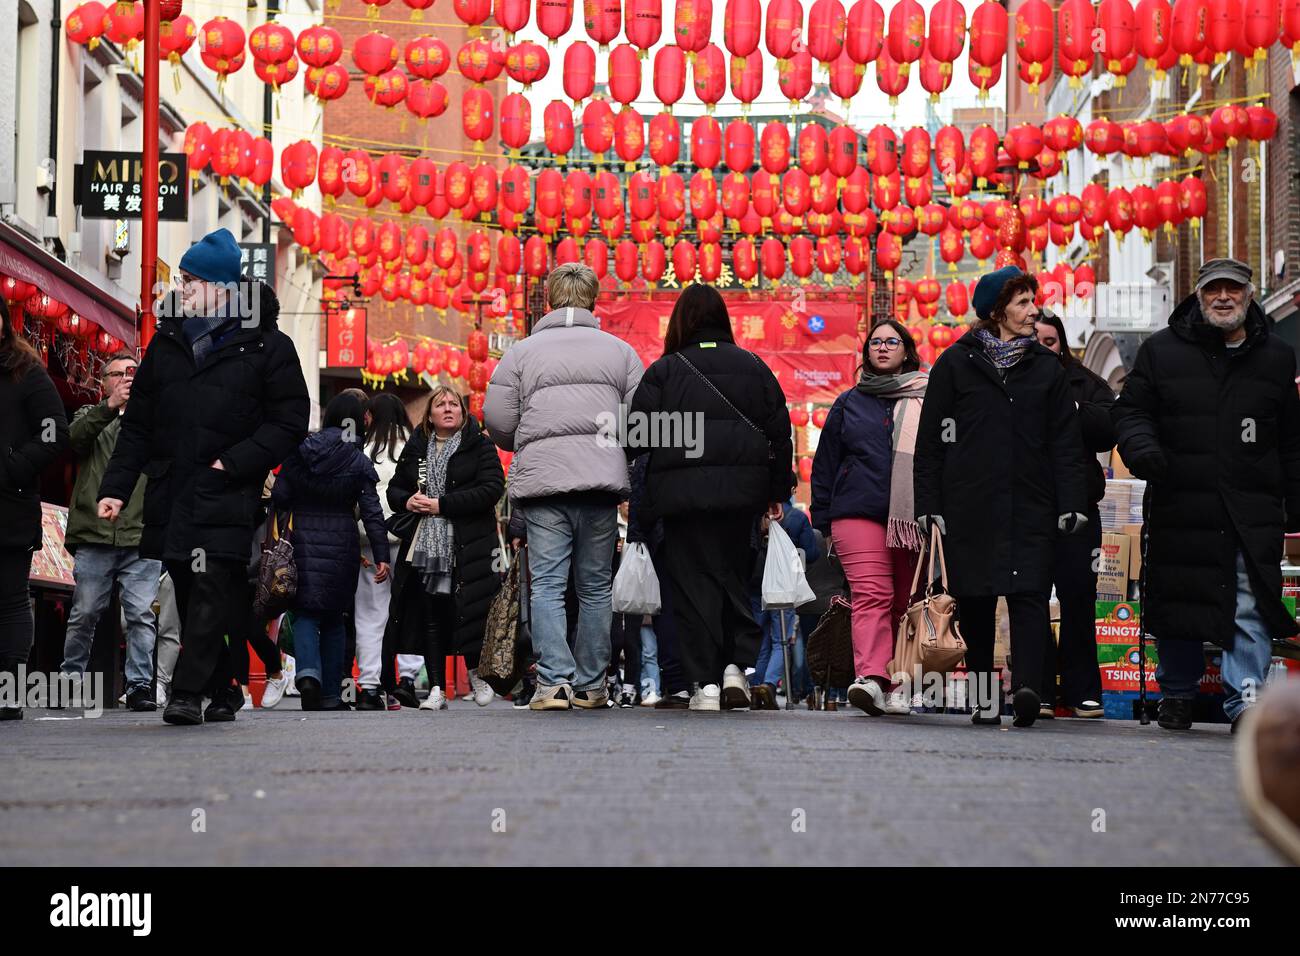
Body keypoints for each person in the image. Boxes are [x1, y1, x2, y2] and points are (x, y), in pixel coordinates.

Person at [98, 230, 310, 726]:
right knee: (191, 590)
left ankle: (186, 692)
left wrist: (234, 463)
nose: (183, 287)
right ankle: (223, 685)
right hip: (173, 488)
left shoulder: (267, 345)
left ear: (221, 286)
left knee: (213, 583)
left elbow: (290, 420)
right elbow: (139, 426)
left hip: (226, 491)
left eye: (192, 280)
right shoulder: (167, 343)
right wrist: (115, 489)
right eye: (184, 279)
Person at [1112, 258, 1300, 732]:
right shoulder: (1161, 351)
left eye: (1232, 290)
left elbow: (1292, 438)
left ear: (1249, 295)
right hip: (1181, 498)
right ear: (1198, 297)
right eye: (1213, 289)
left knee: (1249, 601)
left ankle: (1247, 702)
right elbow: (1132, 412)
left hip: (1251, 507)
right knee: (1180, 598)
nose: (1223, 298)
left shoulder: (1277, 357)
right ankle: (1176, 694)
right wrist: (1144, 450)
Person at [914, 266, 1088, 728]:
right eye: (1023, 303)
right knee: (976, 603)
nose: (1034, 312)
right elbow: (930, 441)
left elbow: (1066, 442)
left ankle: (1029, 688)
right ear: (996, 312)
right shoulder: (955, 364)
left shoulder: (1045, 367)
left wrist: (1071, 501)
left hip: (1033, 503)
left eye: (1033, 302)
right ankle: (985, 699)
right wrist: (928, 505)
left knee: (1030, 596)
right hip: (969, 505)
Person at [484, 262, 643, 711]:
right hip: (599, 484)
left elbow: (497, 419)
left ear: (551, 300)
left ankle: (553, 683)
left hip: (545, 483)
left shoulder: (521, 353)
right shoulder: (620, 352)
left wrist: (527, 439)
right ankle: (593, 685)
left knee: (548, 585)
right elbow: (641, 421)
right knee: (595, 586)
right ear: (593, 299)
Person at [629, 283, 794, 711]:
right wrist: (776, 491)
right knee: (735, 582)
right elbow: (779, 431)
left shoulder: (664, 372)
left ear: (680, 321)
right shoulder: (754, 368)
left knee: (691, 588)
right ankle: (736, 667)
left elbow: (637, 439)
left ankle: (703, 684)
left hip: (682, 501)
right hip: (742, 498)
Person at [811, 319, 928, 717]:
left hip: (911, 517)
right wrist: (822, 518)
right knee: (872, 595)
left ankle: (899, 683)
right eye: (874, 342)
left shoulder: (927, 398)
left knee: (904, 601)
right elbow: (826, 463)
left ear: (906, 350)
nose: (881, 348)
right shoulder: (849, 402)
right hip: (856, 511)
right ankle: (871, 678)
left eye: (891, 341)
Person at [384, 386, 505, 711]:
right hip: (425, 545)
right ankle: (436, 687)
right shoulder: (418, 445)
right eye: (441, 404)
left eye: (454, 404)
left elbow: (493, 487)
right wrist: (406, 500)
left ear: (464, 413)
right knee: (431, 613)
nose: (448, 408)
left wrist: (443, 504)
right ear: (430, 414)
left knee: (468, 608)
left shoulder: (478, 443)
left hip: (470, 544)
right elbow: (394, 489)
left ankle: (477, 673)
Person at [272, 393, 390, 710]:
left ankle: (308, 674)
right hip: (342, 542)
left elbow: (281, 495)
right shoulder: (357, 461)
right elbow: (372, 512)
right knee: (335, 617)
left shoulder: (301, 452)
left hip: (302, 540)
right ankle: (330, 694)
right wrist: (382, 555)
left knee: (307, 612)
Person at [59, 352, 161, 711]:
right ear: (104, 382)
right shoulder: (90, 415)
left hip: (140, 533)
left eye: (132, 373)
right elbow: (72, 440)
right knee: (84, 612)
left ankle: (138, 687)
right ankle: (69, 681)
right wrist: (110, 406)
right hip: (94, 533)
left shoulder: (154, 421)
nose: (125, 379)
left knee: (140, 614)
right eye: (117, 374)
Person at [1034, 309, 1111, 720]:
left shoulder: (1085, 382)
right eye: (1036, 341)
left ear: (1062, 345)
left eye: (1051, 342)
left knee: (1078, 596)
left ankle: (1083, 691)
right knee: (1030, 598)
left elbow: (1108, 426)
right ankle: (1039, 689)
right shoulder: (1012, 383)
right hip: (1028, 507)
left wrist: (1072, 404)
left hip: (1079, 508)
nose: (1043, 349)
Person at [0, 298, 69, 720]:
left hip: (9, 504)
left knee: (8, 599)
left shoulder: (25, 370)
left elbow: (53, 431)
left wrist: (12, 467)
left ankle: (7, 692)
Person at [353, 392, 412, 710]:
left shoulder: (361, 449)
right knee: (408, 611)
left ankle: (369, 685)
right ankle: (408, 680)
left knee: (370, 614)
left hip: (368, 542)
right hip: (406, 540)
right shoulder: (414, 448)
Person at [749, 495, 821, 709]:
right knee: (781, 639)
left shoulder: (757, 514)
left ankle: (756, 686)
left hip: (756, 583)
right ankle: (770, 685)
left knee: (760, 638)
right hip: (783, 585)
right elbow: (812, 552)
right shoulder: (797, 518)